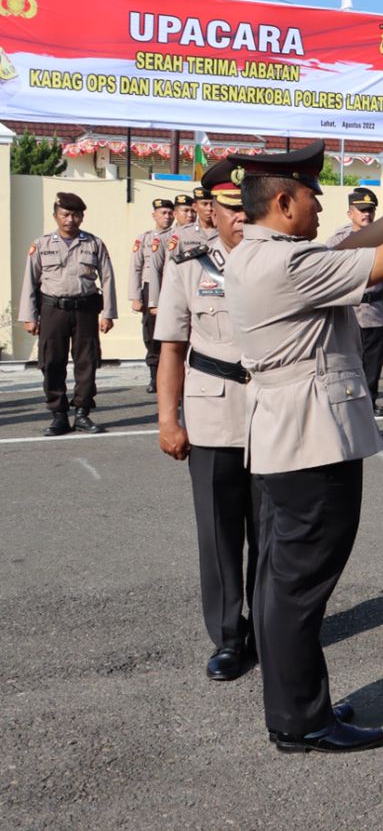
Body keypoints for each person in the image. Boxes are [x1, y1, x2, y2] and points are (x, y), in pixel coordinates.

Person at [228, 140, 383, 754]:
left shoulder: (260, 254)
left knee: (288, 582)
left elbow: (348, 251)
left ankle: (301, 703)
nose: (319, 203)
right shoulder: (286, 264)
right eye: (311, 194)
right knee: (300, 587)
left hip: (288, 436)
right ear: (283, 201)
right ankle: (301, 720)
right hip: (311, 442)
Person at [154, 159, 261, 683]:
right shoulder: (189, 267)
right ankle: (228, 637)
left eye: (248, 208)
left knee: (273, 531)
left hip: (271, 416)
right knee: (218, 533)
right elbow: (172, 349)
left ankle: (269, 627)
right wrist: (167, 420)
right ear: (211, 210)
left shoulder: (279, 262)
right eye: (231, 208)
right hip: (212, 414)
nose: (241, 218)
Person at [18, 192, 116, 435]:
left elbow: (107, 278)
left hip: (85, 309)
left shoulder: (94, 243)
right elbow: (30, 281)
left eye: (76, 215)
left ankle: (82, 413)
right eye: (65, 214)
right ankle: (59, 415)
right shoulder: (41, 244)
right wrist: (29, 316)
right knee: (51, 362)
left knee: (87, 362)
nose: (70, 219)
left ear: (82, 216)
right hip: (53, 310)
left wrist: (109, 313)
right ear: (55, 216)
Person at [327, 188, 383, 417]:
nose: (367, 214)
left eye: (371, 210)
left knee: (373, 366)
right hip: (348, 313)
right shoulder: (337, 241)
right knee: (348, 364)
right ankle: (350, 408)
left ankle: (370, 406)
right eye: (362, 210)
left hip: (374, 311)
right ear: (350, 213)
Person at [131, 197, 175, 393]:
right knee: (151, 333)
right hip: (150, 289)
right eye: (162, 213)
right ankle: (154, 375)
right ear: (154, 215)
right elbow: (136, 268)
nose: (167, 216)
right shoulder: (144, 238)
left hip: (172, 287)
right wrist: (135, 297)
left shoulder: (177, 235)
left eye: (169, 212)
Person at [177, 186, 218, 250]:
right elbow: (172, 259)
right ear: (195, 207)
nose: (209, 208)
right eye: (205, 204)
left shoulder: (225, 232)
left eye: (212, 204)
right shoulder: (183, 234)